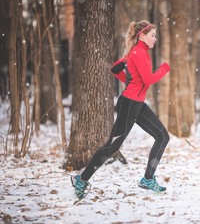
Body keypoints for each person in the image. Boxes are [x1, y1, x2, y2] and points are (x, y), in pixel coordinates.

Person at [71, 20, 171, 199]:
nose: (155, 39)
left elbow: (116, 68)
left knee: (162, 136)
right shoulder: (139, 52)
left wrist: (129, 80)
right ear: (142, 35)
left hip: (137, 103)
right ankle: (81, 179)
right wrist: (164, 69)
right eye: (153, 35)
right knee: (112, 145)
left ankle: (148, 179)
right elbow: (148, 80)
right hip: (129, 104)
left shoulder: (138, 52)